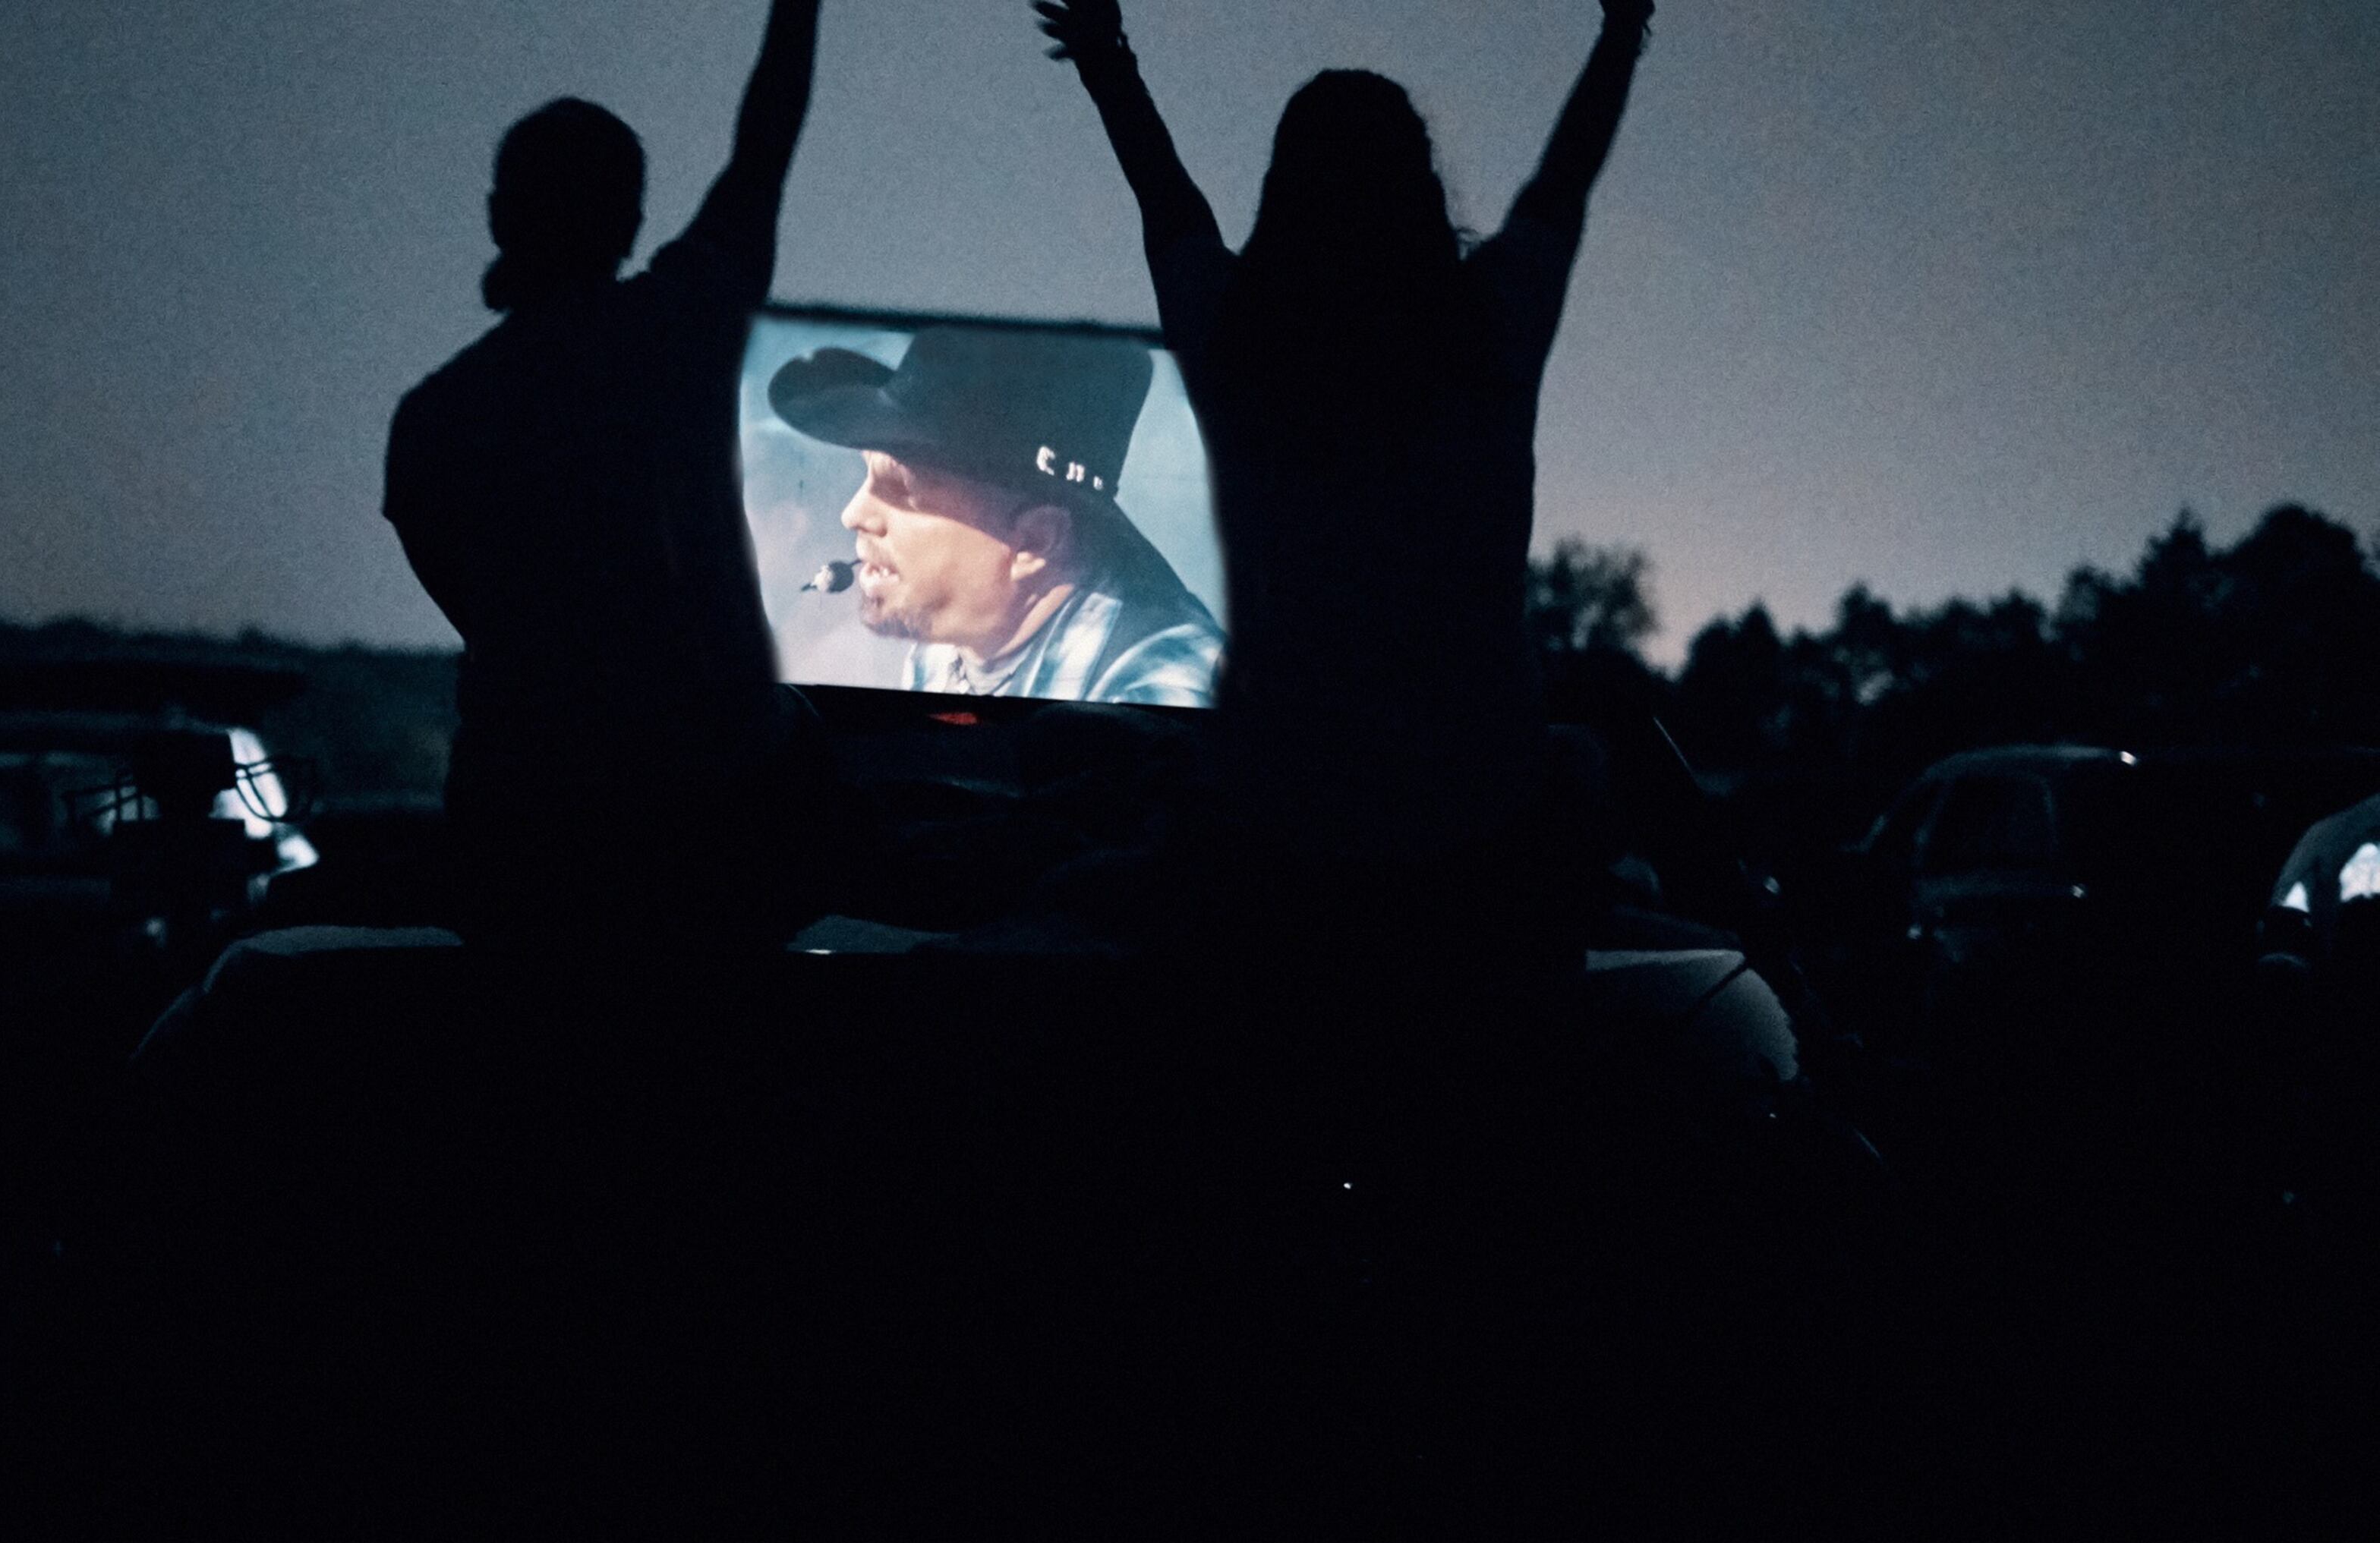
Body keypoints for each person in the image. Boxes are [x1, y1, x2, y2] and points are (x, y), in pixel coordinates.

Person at [1033, 0, 1657, 956]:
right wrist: (1621, 34)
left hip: (1278, 827)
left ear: (1284, 190)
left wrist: (1106, 62)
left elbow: (1167, 202)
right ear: (1419, 188)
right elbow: (1562, 182)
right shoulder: (1491, 328)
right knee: (1592, 767)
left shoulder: (1230, 334)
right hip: (1479, 829)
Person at [382, 0, 827, 947]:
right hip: (704, 826)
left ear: (501, 215)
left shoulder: (430, 420)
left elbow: (471, 602)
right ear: (630, 219)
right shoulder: (686, 323)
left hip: (522, 832)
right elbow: (766, 143)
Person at [769, 326, 1224, 708]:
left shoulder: (1163, 695)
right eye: (867, 475)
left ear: (1034, 542)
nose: (852, 515)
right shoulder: (948, 645)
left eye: (902, 490)